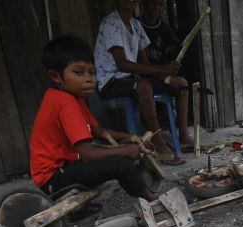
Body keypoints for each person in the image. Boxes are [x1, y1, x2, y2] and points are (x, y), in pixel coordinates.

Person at [30, 35, 157, 202]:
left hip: (63, 169)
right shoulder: (66, 103)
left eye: (92, 72)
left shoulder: (73, 97)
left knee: (113, 153)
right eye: (78, 72)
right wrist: (125, 151)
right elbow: (88, 154)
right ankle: (154, 201)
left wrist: (129, 138)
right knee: (119, 163)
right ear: (56, 76)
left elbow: (96, 131)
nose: (89, 79)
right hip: (54, 179)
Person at [94, 0, 193, 165]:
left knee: (181, 83)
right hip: (111, 81)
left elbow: (145, 63)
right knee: (144, 87)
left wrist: (166, 76)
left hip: (131, 78)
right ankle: (157, 140)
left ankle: (183, 136)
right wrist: (162, 70)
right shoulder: (111, 23)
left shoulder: (135, 25)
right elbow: (122, 64)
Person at [140, 0, 180, 66]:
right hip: (142, 70)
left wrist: (164, 52)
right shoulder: (136, 24)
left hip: (159, 69)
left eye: (160, 5)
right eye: (153, 3)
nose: (157, 7)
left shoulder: (164, 27)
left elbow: (175, 44)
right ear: (145, 4)